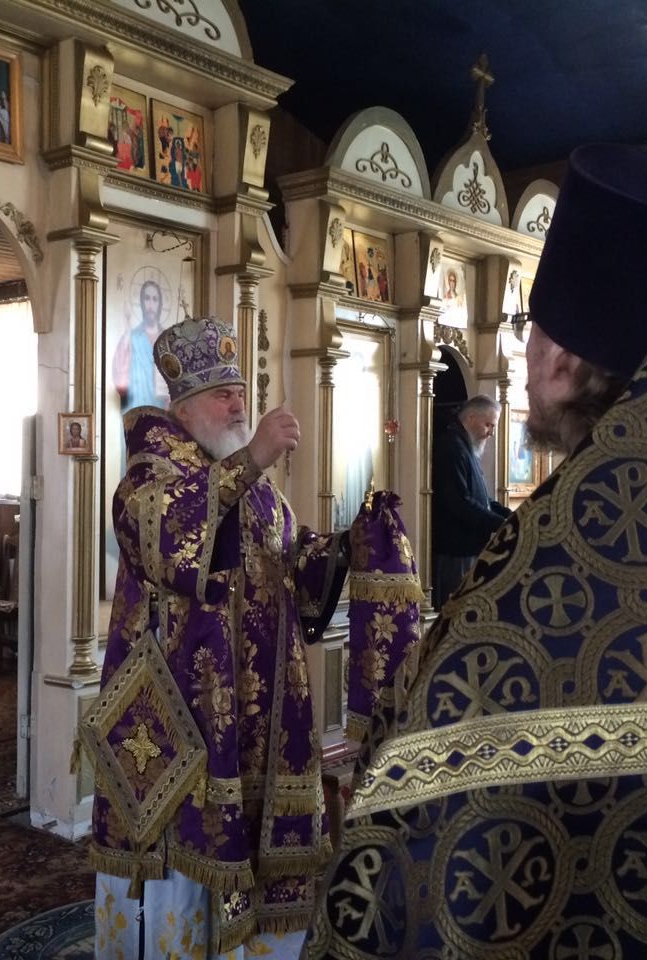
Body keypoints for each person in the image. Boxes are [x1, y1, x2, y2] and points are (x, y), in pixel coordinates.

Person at [305, 143, 647, 957]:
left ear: (565, 363)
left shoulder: (534, 587)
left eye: (531, 335)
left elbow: (408, 859)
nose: (526, 356)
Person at [84, 316, 411, 958]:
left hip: (263, 715)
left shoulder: (256, 490)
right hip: (187, 723)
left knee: (260, 860)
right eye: (221, 395)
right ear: (184, 408)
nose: (238, 405)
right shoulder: (149, 475)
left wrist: (349, 546)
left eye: (240, 392)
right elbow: (169, 541)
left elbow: (287, 570)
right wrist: (253, 457)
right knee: (182, 880)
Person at [430, 393, 511, 608]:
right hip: (456, 551)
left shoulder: (465, 447)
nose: (491, 433)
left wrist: (510, 516)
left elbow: (481, 498)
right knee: (456, 610)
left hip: (469, 547)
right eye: (488, 425)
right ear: (471, 418)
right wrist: (501, 524)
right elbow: (459, 502)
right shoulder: (451, 447)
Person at [111, 278, 168, 412]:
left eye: (155, 299)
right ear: (142, 303)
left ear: (159, 304)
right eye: (147, 298)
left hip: (162, 410)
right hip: (136, 408)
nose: (151, 304)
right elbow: (119, 375)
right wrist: (127, 330)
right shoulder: (132, 337)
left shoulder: (167, 340)